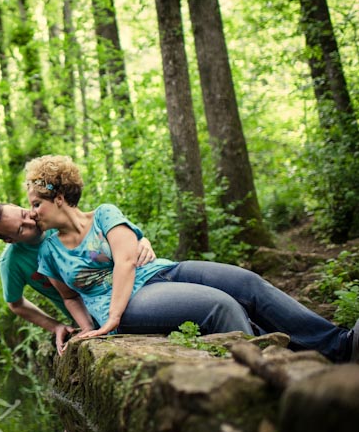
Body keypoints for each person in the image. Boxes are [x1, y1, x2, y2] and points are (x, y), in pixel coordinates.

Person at [23, 154, 359, 363]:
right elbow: (69, 295)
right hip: (127, 302)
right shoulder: (49, 251)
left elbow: (127, 260)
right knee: (218, 304)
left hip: (161, 271)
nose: (33, 212)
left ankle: (339, 346)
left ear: (61, 198)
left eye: (37, 203)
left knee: (247, 282)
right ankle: (264, 374)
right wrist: (99, 325)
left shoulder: (105, 214)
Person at [0, 203, 158, 353]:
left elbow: (110, 235)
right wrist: (55, 326)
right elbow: (15, 303)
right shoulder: (12, 262)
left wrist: (142, 241)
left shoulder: (55, 219)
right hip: (92, 318)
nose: (30, 222)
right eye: (21, 229)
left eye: (23, 214)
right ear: (9, 240)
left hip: (125, 291)